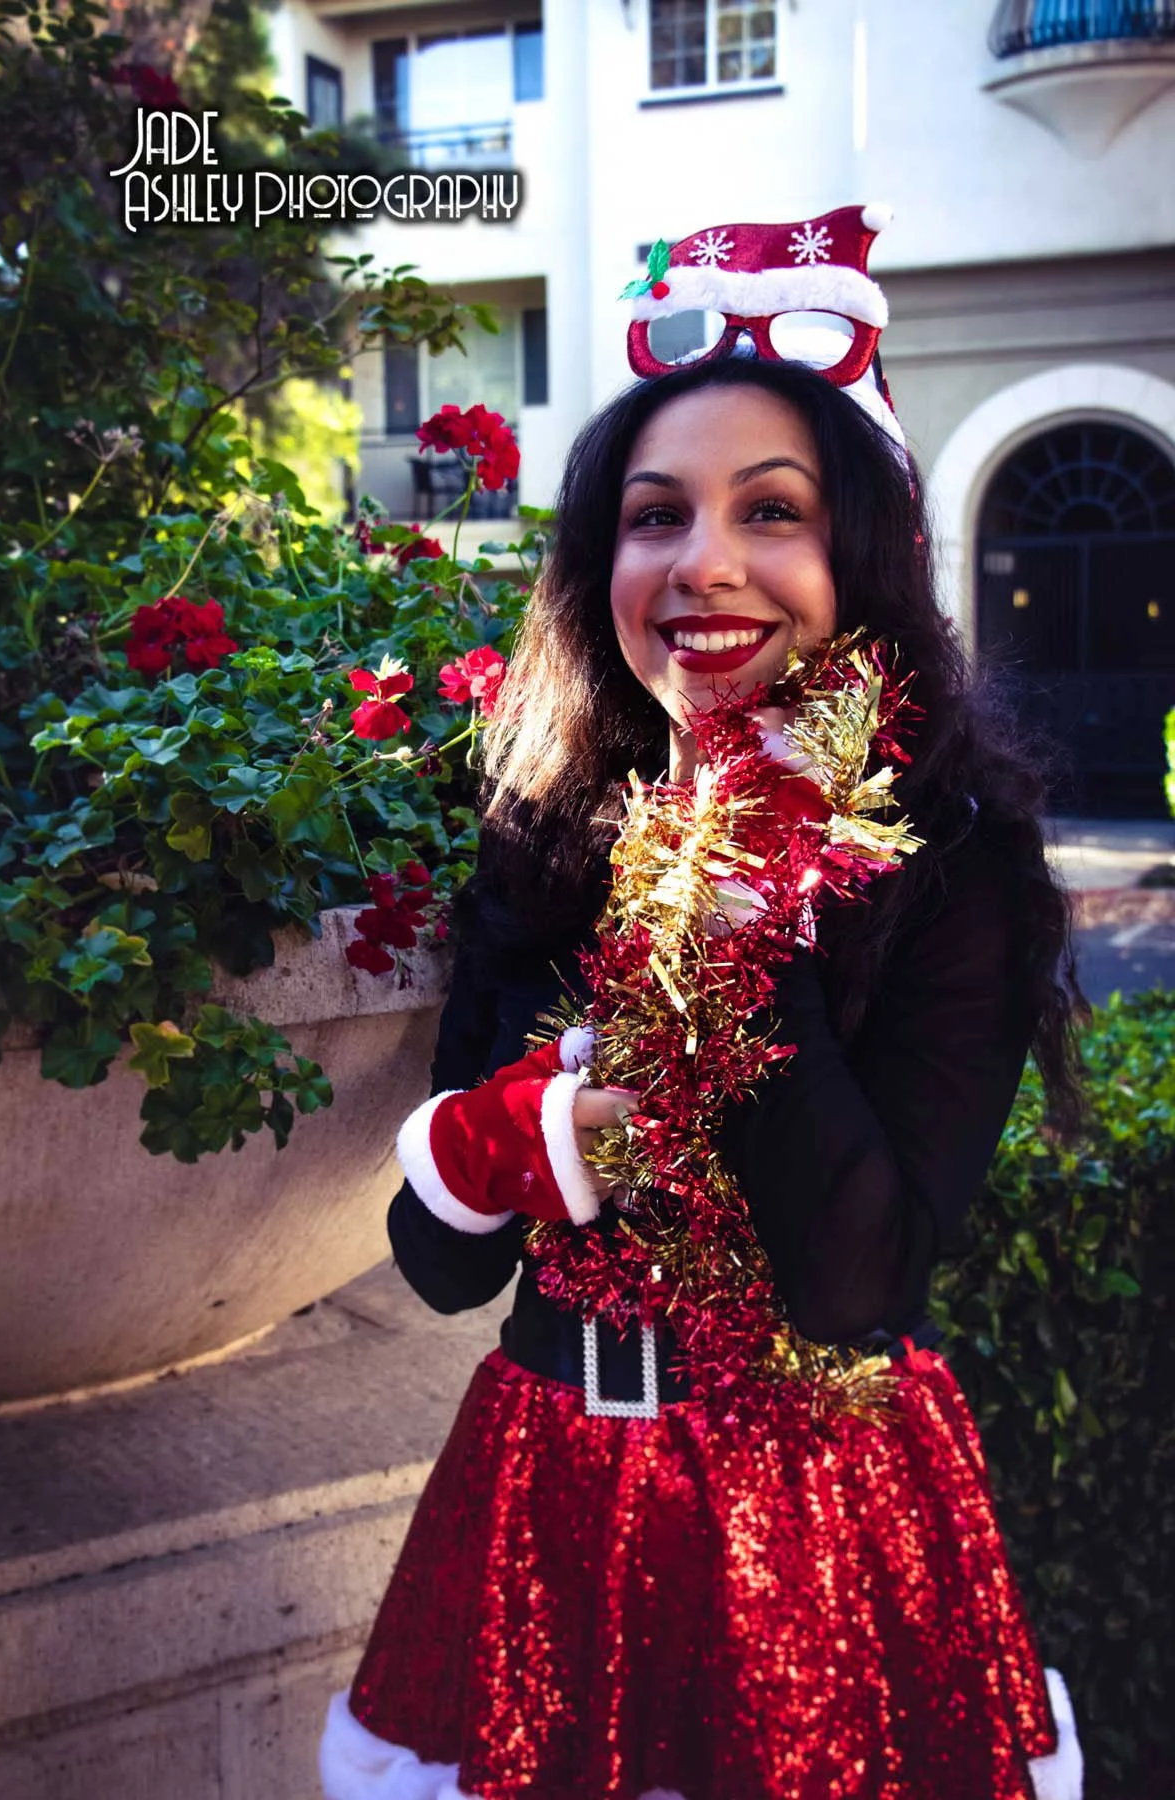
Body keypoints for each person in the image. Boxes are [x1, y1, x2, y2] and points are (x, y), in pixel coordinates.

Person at [320, 212, 1086, 1800]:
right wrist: (535, 1138)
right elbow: (437, 1265)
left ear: (859, 554)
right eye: (655, 515)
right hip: (547, 1486)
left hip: (820, 1519)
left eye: (775, 512)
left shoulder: (956, 864)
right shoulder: (551, 832)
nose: (706, 563)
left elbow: (858, 1282)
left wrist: (734, 929)